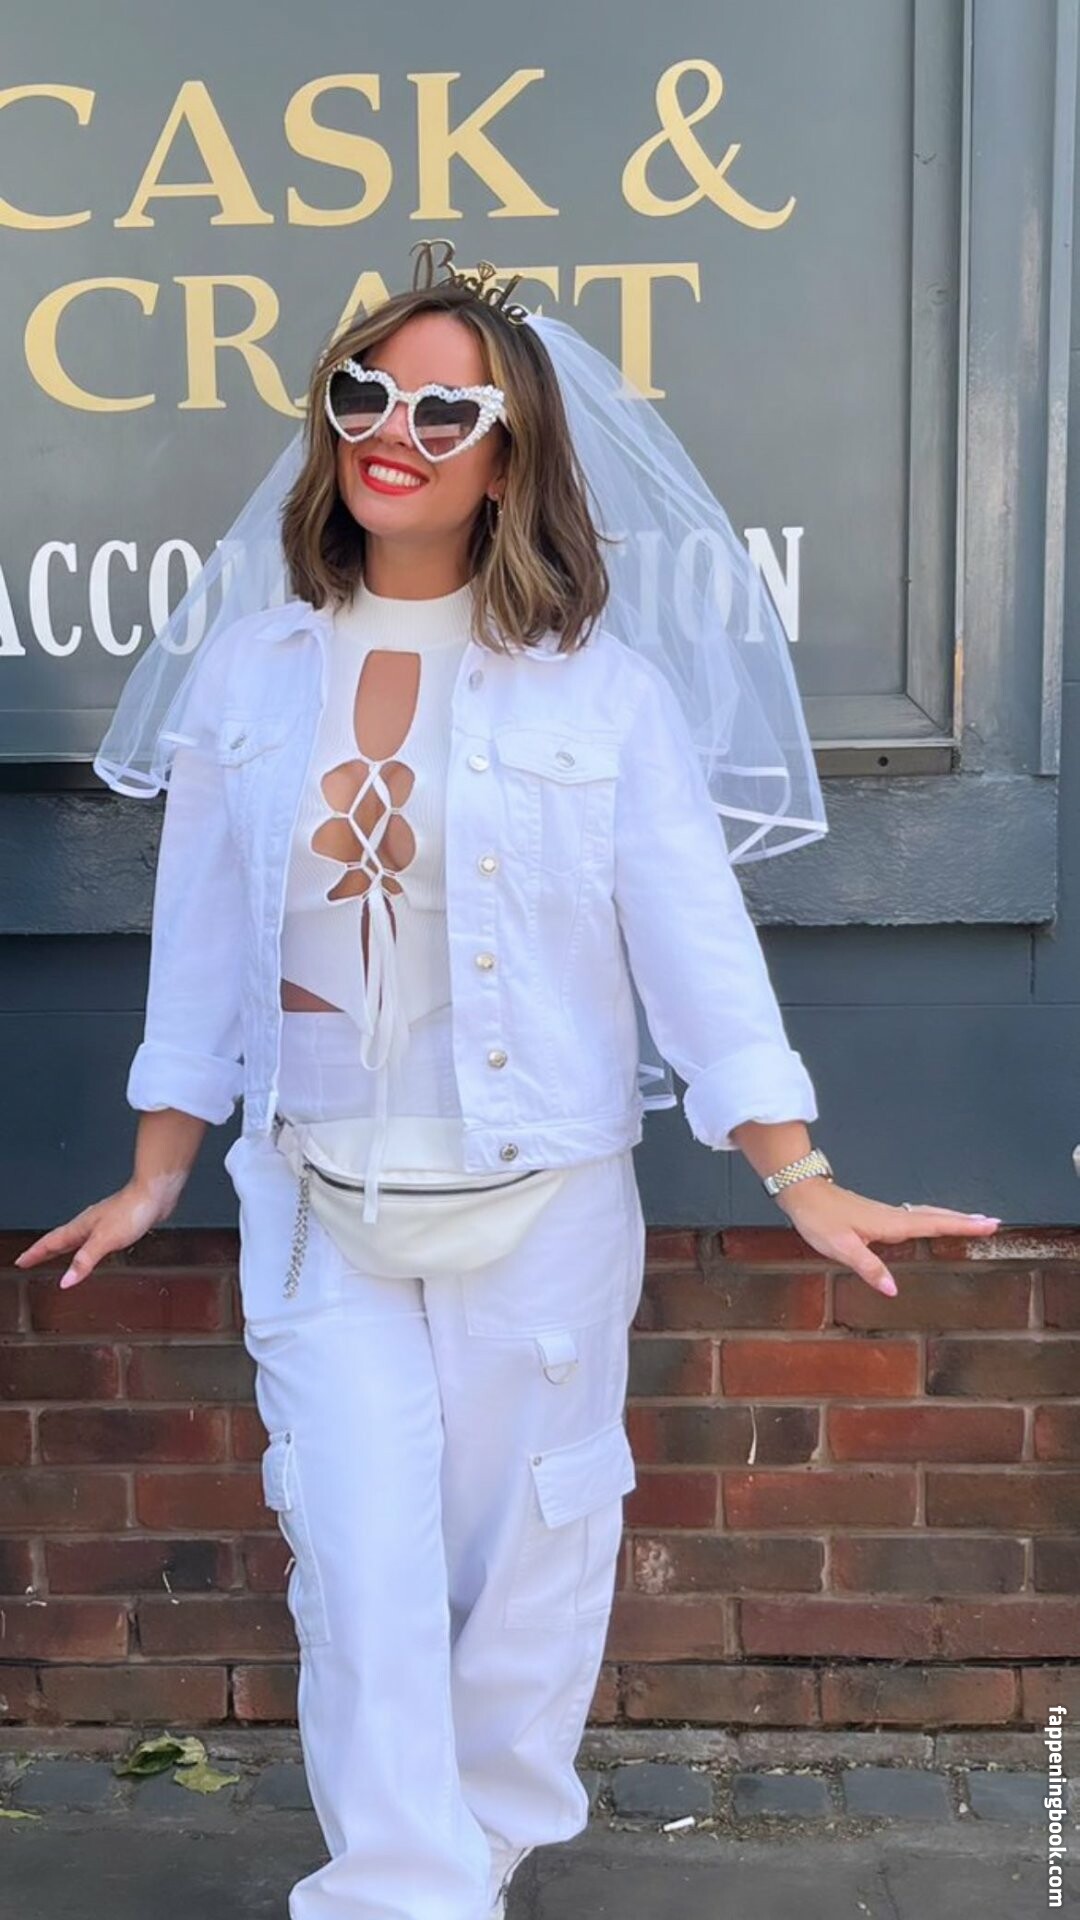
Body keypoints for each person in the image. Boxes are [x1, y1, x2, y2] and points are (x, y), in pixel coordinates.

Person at [15, 247, 1001, 1920]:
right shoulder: (250, 675)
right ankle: (399, 1892)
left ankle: (470, 1854)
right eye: (365, 394)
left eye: (444, 411)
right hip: (315, 1199)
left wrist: (800, 1171)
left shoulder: (601, 695)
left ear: (509, 456)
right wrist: (159, 1164)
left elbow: (695, 951)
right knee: (358, 1565)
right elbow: (198, 946)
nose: (392, 432)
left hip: (538, 1201)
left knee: (532, 1556)